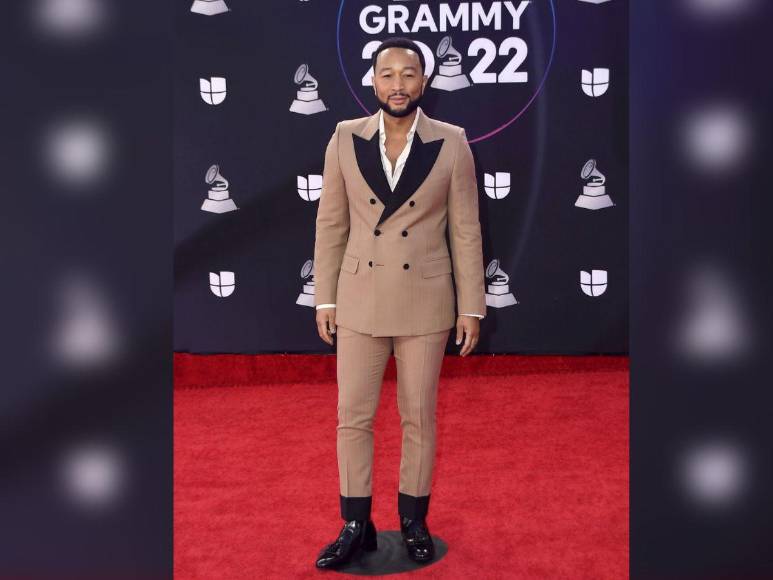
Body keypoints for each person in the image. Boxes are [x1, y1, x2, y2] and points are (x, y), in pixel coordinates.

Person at [312, 36, 486, 569]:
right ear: (372, 81)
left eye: (408, 74)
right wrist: (324, 298)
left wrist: (471, 305)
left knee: (419, 417)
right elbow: (331, 225)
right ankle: (355, 524)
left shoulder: (452, 142)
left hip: (425, 301)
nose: (397, 84)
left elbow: (465, 230)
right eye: (387, 74)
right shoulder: (344, 137)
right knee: (353, 417)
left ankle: (413, 520)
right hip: (360, 298)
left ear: (424, 82)